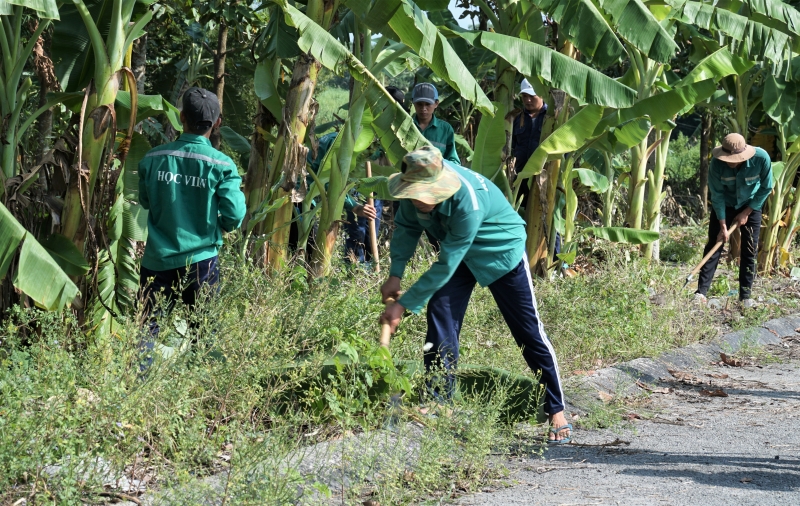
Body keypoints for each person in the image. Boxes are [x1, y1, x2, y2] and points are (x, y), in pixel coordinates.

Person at [379, 146, 571, 443]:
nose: (418, 200)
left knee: (526, 330)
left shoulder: (467, 202)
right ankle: (440, 401)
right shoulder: (411, 193)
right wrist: (395, 274)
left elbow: (446, 264)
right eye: (414, 193)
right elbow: (406, 227)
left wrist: (402, 305)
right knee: (440, 309)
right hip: (462, 255)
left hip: (500, 251)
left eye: (423, 194)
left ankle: (555, 408)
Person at [137, 87, 246, 369]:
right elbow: (234, 214)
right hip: (201, 263)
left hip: (157, 260)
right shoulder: (221, 164)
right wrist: (217, 228)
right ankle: (201, 391)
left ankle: (137, 390)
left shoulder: (152, 158)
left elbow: (146, 201)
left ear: (181, 117)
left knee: (148, 330)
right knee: (204, 333)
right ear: (218, 122)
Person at [695, 133, 773, 308]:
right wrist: (723, 225)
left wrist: (747, 212)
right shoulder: (716, 164)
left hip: (751, 204)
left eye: (734, 158)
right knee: (714, 245)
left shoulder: (761, 158)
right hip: (725, 205)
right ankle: (701, 292)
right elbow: (717, 195)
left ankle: (745, 296)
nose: (729, 161)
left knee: (749, 248)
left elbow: (766, 187)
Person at [512, 78, 548, 210]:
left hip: (543, 177)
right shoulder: (516, 118)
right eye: (524, 96)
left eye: (532, 96)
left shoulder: (551, 118)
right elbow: (513, 146)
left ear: (541, 95)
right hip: (520, 177)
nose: (528, 100)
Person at [411, 83, 460, 165]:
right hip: (409, 176)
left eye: (427, 104)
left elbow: (454, 161)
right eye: (419, 104)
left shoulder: (445, 129)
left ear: (436, 103)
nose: (423, 108)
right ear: (413, 102)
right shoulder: (406, 126)